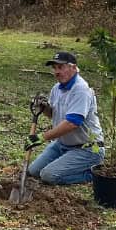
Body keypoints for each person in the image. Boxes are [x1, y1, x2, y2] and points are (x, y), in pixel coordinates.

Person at [26, 51, 104, 185]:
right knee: (33, 171)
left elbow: (72, 123)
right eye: (54, 68)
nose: (56, 72)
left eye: (60, 67)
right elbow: (54, 115)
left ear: (73, 68)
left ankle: (93, 174)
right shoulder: (57, 88)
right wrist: (44, 108)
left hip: (87, 149)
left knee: (48, 176)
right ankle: (67, 163)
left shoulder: (80, 90)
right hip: (62, 145)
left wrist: (42, 137)